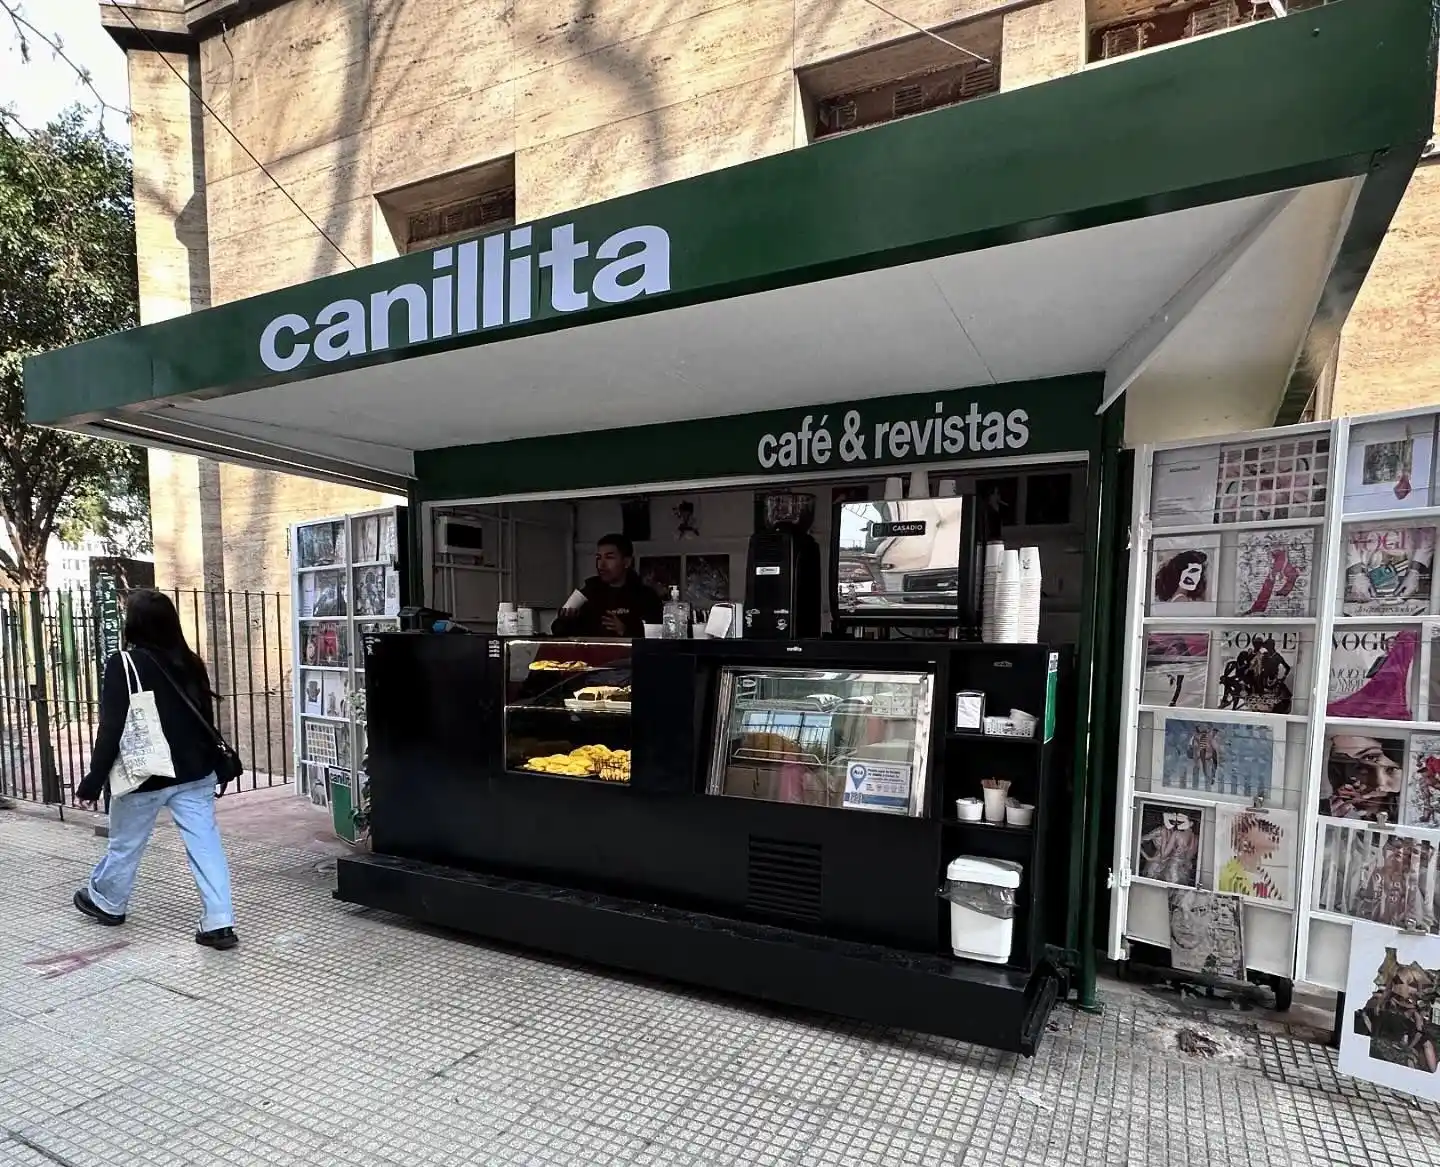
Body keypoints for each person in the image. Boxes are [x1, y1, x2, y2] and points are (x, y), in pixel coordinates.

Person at [72, 589, 238, 950]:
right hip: (195, 771)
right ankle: (219, 922)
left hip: (145, 775)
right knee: (205, 843)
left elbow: (112, 727)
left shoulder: (124, 664)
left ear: (134, 624)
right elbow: (205, 719)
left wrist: (93, 779)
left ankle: (108, 902)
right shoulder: (191, 661)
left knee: (126, 843)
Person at [552, 534, 664, 637]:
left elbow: (657, 640)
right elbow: (558, 633)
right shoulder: (590, 592)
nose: (601, 565)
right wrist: (565, 620)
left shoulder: (646, 597)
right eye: (598, 558)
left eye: (609, 557)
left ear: (627, 562)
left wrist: (624, 631)